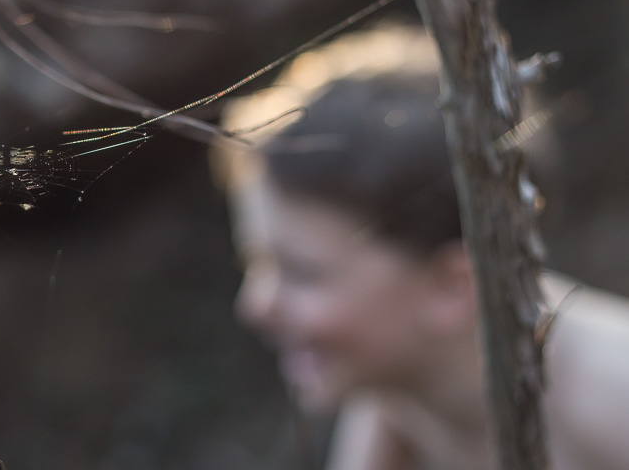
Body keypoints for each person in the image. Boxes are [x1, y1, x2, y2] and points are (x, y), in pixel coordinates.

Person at [214, 24, 629, 470]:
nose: (254, 306)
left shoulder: (611, 400)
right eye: (254, 261)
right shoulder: (394, 391)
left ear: (452, 285)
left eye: (303, 273)